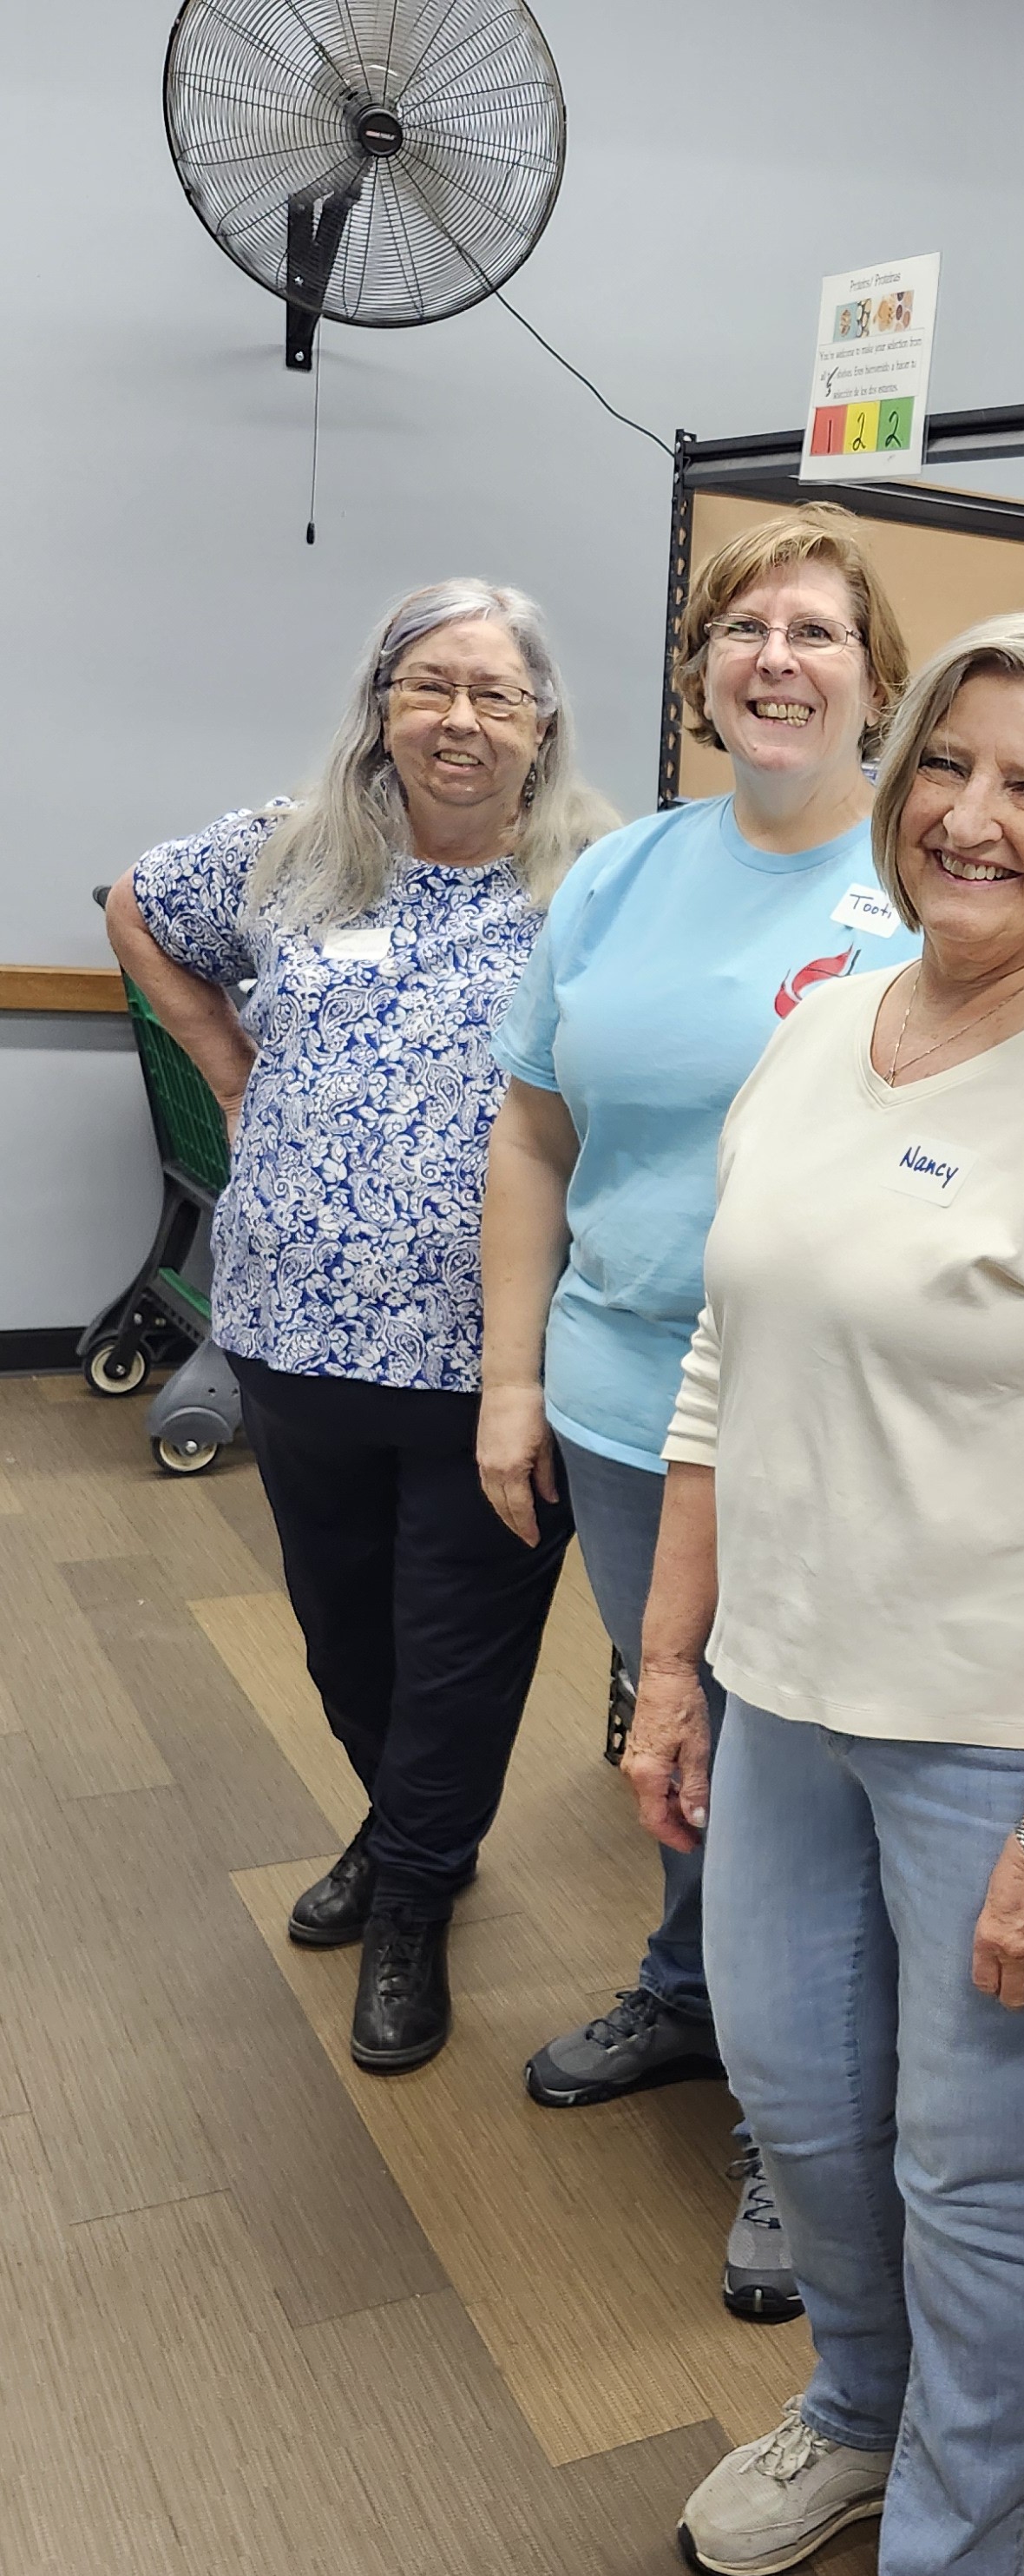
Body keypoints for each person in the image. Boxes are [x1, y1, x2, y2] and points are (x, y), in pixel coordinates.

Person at [620, 610, 1024, 2576]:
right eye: (948, 769)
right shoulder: (832, 1027)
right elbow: (725, 1364)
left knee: (971, 2176)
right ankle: (854, 2413)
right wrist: (666, 1672)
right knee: (804, 2119)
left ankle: (949, 2557)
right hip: (784, 1693)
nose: (971, 820)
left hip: (1001, 1747)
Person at [479, 504, 918, 2320]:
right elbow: (532, 1129)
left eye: (815, 632)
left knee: (788, 1779)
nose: (775, 661)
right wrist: (511, 1376)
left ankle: (795, 2118)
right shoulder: (620, 875)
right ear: (699, 676)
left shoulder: (918, 888)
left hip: (823, 1428)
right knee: (679, 1745)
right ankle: (688, 1993)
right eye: (742, 632)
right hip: (613, 1390)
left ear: (876, 683)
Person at [105, 579, 618, 2073]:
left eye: (496, 695)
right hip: (292, 1332)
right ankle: (410, 1835)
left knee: (458, 1652)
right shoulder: (291, 853)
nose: (460, 720)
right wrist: (223, 1063)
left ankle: (410, 1901)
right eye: (429, 687)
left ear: (541, 729)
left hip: (496, 1361)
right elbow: (139, 905)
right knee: (342, 1641)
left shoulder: (594, 882)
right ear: (383, 707)